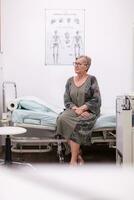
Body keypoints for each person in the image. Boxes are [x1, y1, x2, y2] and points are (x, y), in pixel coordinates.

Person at [56, 55, 101, 165]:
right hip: (74, 110)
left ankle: (73, 160)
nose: (76, 66)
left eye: (79, 64)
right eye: (75, 63)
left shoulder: (92, 79)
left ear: (86, 66)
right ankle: (78, 154)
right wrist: (76, 108)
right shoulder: (70, 81)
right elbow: (66, 99)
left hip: (88, 111)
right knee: (61, 119)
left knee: (77, 125)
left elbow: (96, 99)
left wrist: (83, 108)